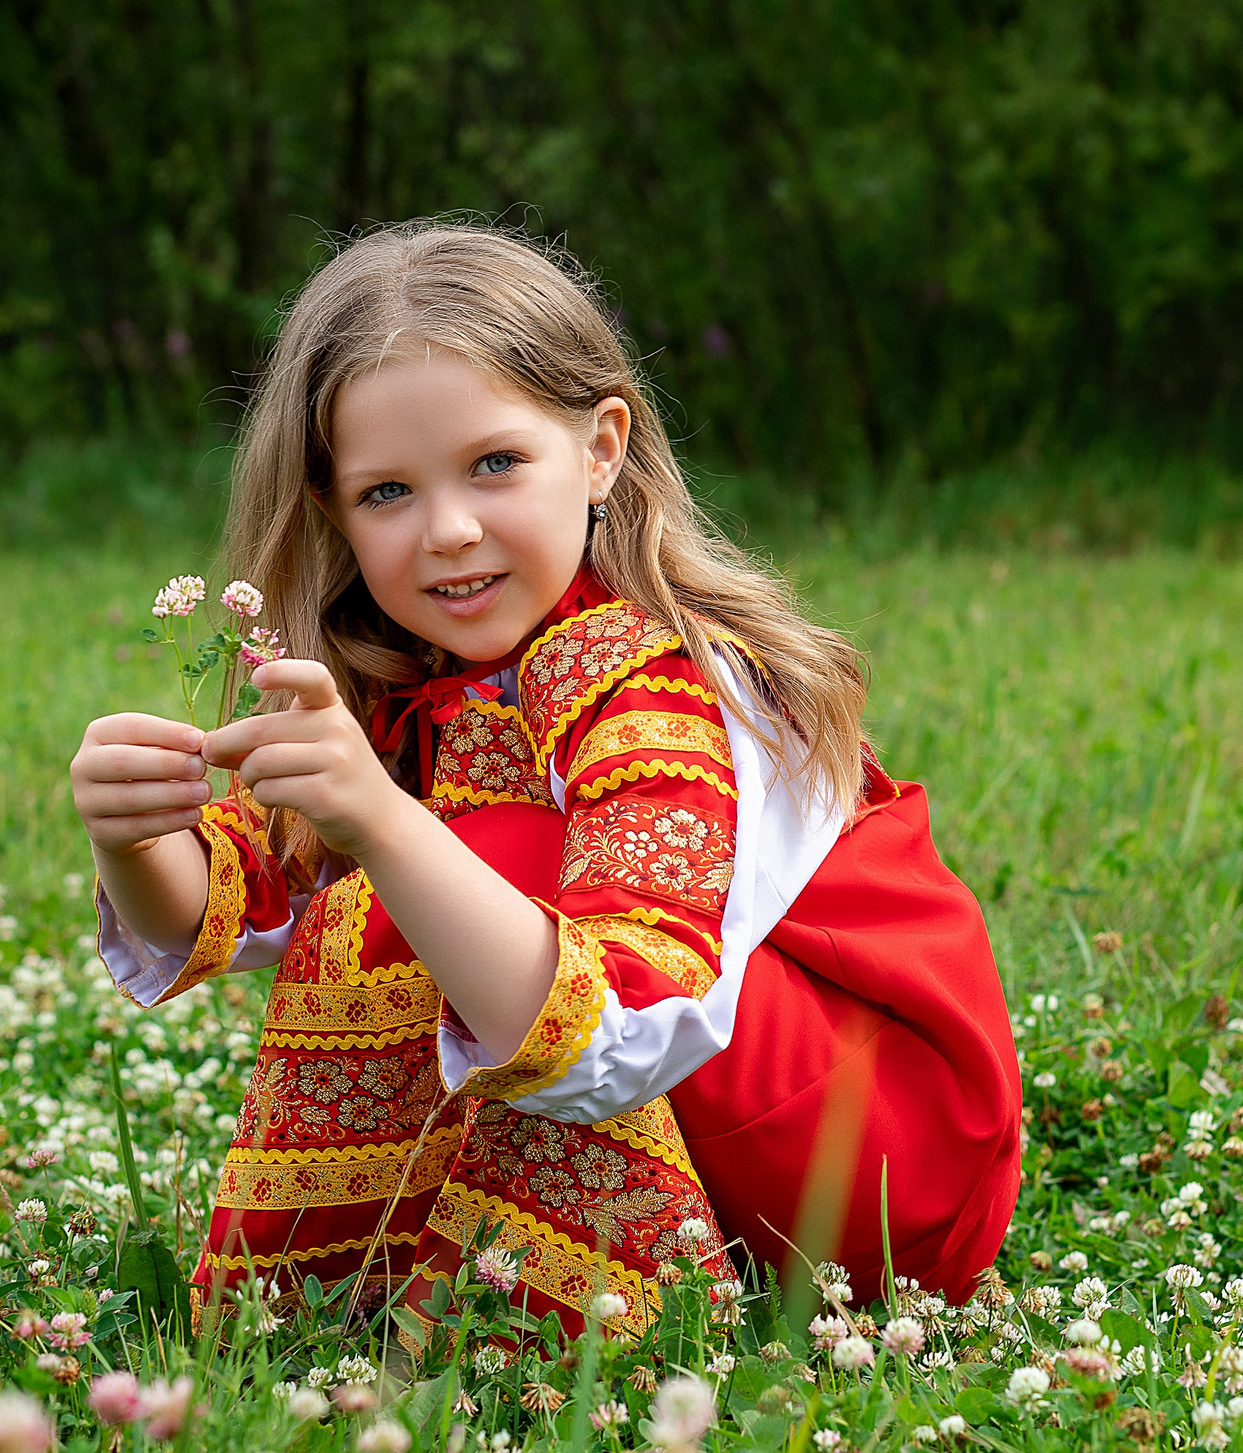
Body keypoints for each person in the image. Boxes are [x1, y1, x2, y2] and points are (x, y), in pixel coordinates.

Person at [68, 223, 1020, 1343]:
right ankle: (413, 1271)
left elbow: (621, 1020)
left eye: (495, 463)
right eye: (387, 492)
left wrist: (381, 822)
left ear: (602, 447)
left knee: (469, 865)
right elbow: (248, 899)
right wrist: (135, 834)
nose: (450, 529)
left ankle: (570, 1297)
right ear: (334, 510)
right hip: (727, 1100)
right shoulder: (401, 670)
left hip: (882, 1160)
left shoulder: (667, 673)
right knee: (430, 871)